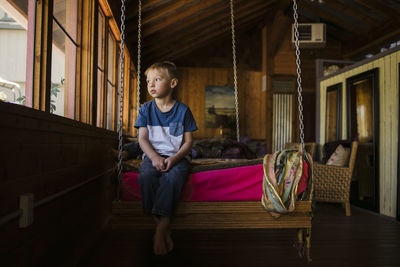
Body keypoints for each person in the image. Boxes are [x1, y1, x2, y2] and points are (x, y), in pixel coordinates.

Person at [134, 61, 197, 256]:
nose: (151, 84)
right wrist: (153, 158)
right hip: (152, 157)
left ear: (172, 83)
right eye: (148, 81)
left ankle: (161, 227)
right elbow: (142, 138)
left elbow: (188, 142)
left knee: (173, 176)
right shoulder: (145, 109)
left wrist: (176, 158)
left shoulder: (183, 111)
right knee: (145, 175)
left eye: (157, 79)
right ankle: (163, 225)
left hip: (176, 157)